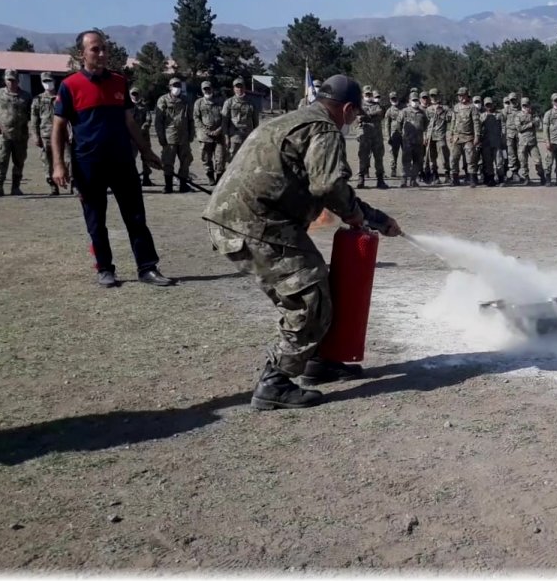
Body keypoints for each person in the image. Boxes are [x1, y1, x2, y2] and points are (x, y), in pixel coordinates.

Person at [202, 75, 402, 411]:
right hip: (255, 223)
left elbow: (322, 185)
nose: (352, 121)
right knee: (309, 296)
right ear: (348, 108)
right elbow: (328, 186)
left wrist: (374, 218)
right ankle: (275, 382)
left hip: (247, 218)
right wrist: (356, 215)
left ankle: (317, 361)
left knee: (319, 284)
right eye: (354, 114)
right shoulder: (324, 129)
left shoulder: (296, 120)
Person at [51, 30, 174, 288]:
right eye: (95, 49)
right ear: (81, 54)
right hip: (88, 165)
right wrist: (59, 164)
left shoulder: (119, 81)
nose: (102, 53)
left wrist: (146, 151)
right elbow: (59, 128)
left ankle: (147, 268)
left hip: (122, 162)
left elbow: (130, 122)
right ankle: (105, 269)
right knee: (96, 222)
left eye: (104, 48)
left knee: (136, 217)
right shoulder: (70, 85)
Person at [0, 69, 33, 197]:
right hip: (3, 135)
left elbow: (33, 114)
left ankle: (16, 188)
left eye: (13, 80)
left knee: (19, 162)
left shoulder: (26, 96)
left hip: (21, 136)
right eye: (8, 80)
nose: (11, 82)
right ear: (5, 80)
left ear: (18, 80)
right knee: (1, 161)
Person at [30, 72, 70, 196]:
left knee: (70, 159)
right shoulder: (38, 99)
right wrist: (35, 135)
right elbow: (34, 119)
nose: (48, 83)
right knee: (48, 161)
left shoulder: (63, 96)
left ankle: (74, 183)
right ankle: (53, 187)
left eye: (49, 80)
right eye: (45, 81)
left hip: (65, 133)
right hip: (46, 134)